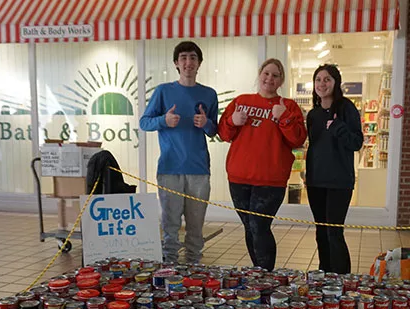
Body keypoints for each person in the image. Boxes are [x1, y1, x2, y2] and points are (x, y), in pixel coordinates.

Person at [218, 58, 307, 271]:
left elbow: (298, 140)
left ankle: (266, 274)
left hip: (270, 180)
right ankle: (258, 272)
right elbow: (223, 134)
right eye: (266, 73)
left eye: (275, 75)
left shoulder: (289, 106)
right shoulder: (241, 101)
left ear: (281, 80)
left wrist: (283, 117)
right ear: (259, 75)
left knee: (259, 226)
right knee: (250, 227)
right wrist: (232, 121)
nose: (269, 78)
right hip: (239, 178)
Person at [140, 41, 218, 264]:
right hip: (169, 169)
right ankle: (170, 268)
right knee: (170, 224)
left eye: (193, 57)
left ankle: (194, 268)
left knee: (195, 226)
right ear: (176, 63)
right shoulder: (163, 91)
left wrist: (206, 123)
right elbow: (144, 122)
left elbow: (215, 130)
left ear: (199, 63)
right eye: (183, 57)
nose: (188, 62)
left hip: (199, 170)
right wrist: (163, 120)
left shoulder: (209, 94)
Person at [306, 64, 363, 274]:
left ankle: (341, 277)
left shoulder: (346, 108)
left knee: (334, 232)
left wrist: (338, 127)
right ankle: (325, 273)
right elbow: (315, 147)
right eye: (318, 79)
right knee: (321, 231)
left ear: (336, 82)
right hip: (315, 182)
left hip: (339, 182)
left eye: (327, 79)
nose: (322, 83)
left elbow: (357, 142)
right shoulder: (313, 114)